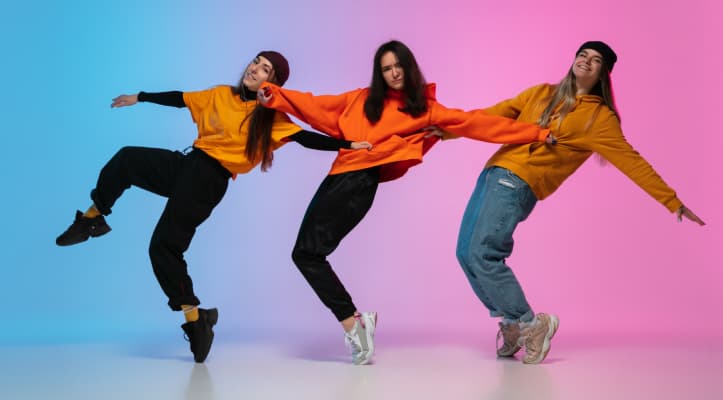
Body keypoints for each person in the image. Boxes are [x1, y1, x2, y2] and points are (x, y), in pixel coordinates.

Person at [55, 51, 371, 363]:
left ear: (272, 83)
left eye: (265, 69)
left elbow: (305, 138)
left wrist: (346, 145)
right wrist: (140, 97)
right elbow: (181, 98)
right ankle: (92, 218)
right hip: (187, 165)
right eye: (256, 62)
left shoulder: (270, 117)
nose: (255, 69)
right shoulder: (221, 95)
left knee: (163, 247)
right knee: (127, 159)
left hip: (208, 181)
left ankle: (197, 321)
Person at [257, 40, 557, 365]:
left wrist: (536, 134)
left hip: (357, 184)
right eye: (386, 69)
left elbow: (478, 123)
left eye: (398, 66)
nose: (394, 73)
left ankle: (355, 324)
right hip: (338, 178)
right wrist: (276, 95)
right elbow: (317, 106)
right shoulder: (362, 99)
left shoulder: (425, 110)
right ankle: (355, 323)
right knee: (307, 253)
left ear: (409, 66)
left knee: (306, 254)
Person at [453, 41, 706, 365]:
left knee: (483, 253)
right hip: (491, 175)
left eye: (595, 60)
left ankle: (530, 323)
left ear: (603, 73)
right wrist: (446, 128)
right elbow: (490, 116)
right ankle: (514, 323)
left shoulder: (599, 118)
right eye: (583, 54)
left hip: (516, 183)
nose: (586, 61)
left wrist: (672, 201)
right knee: (465, 253)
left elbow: (632, 161)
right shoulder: (542, 93)